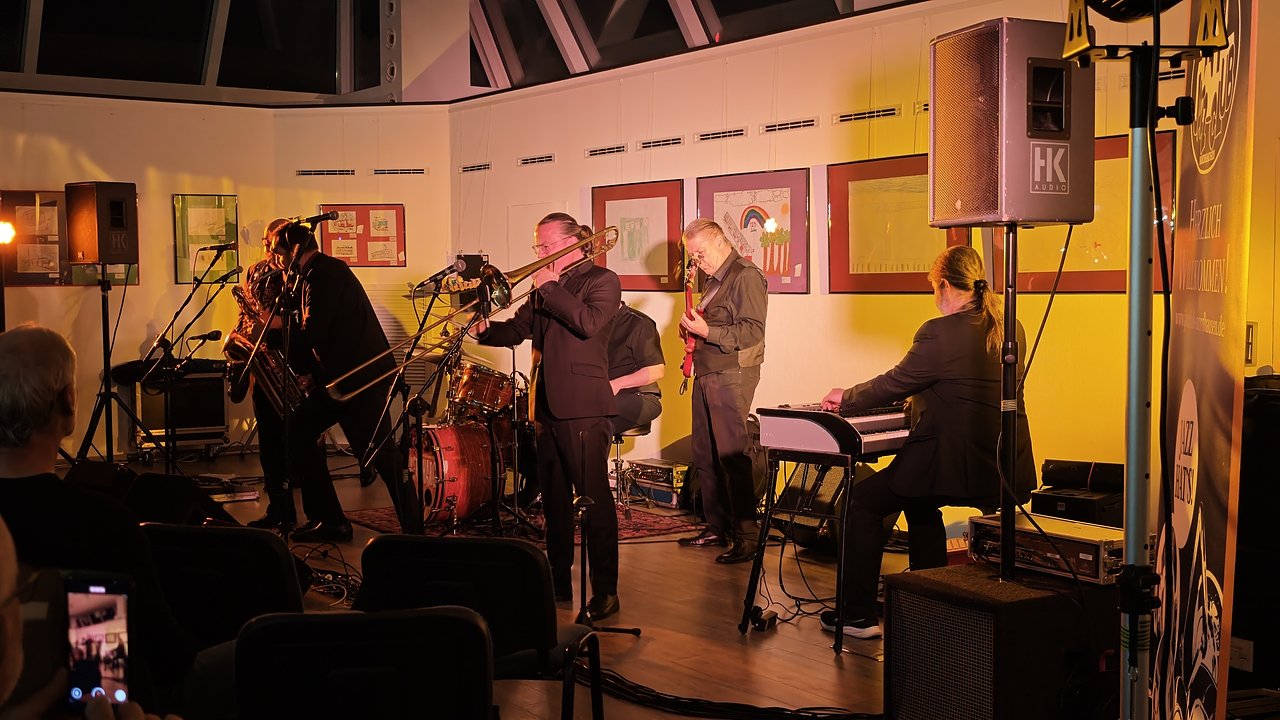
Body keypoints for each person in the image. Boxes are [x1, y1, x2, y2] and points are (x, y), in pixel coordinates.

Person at [818, 245, 1037, 639]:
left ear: (944, 285)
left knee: (865, 501)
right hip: (1004, 460)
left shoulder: (938, 331)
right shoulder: (1009, 325)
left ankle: (857, 616)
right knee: (918, 502)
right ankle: (929, 606)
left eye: (934, 288)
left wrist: (845, 396)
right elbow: (966, 386)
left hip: (952, 461)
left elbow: (894, 382)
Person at [0, 324, 211, 718]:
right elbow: (164, 663)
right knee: (258, 650)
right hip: (103, 707)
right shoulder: (101, 524)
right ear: (67, 402)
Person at [472, 213, 623, 620]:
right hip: (547, 407)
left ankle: (606, 591)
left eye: (546, 246)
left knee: (594, 500)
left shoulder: (602, 281)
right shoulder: (544, 288)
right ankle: (557, 582)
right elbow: (517, 330)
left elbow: (588, 323)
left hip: (584, 408)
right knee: (554, 503)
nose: (539, 253)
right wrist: (485, 331)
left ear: (572, 243)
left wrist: (550, 287)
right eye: (537, 246)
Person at [272, 220, 423, 541]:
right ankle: (331, 520)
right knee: (300, 429)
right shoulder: (317, 274)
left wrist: (272, 335)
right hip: (344, 378)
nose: (275, 261)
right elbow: (328, 335)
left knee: (381, 455)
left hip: (360, 379)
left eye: (278, 254)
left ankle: (414, 531)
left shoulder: (324, 275)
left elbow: (314, 332)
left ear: (295, 251)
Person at [226, 219, 328, 533]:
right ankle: (279, 510)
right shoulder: (257, 271)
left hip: (289, 362)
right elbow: (247, 312)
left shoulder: (297, 274)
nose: (270, 252)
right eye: (266, 245)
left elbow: (303, 322)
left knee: (300, 445)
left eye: (274, 246)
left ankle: (318, 515)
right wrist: (242, 336)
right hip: (261, 362)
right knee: (269, 445)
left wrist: (270, 324)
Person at [676, 219, 768, 564]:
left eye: (700, 253)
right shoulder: (713, 277)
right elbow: (715, 322)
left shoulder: (746, 275)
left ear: (719, 241)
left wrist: (707, 332)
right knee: (704, 453)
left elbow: (752, 331)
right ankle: (717, 526)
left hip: (732, 372)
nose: (696, 261)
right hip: (706, 369)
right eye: (693, 256)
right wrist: (692, 331)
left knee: (732, 455)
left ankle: (746, 537)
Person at [606, 302, 665, 436]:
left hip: (640, 396)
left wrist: (616, 384)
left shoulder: (639, 323)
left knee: (595, 412)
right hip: (604, 395)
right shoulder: (593, 324)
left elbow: (657, 370)